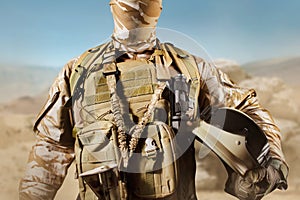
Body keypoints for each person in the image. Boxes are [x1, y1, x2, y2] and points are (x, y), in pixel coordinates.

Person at [19, 0, 288, 200]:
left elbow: (247, 108)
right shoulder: (78, 72)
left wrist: (273, 161)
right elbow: (50, 150)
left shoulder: (191, 70)